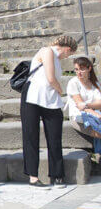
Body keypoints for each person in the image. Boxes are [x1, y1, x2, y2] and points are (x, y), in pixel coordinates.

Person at [21, 35, 77, 188]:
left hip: (50, 99)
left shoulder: (57, 60)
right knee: (31, 135)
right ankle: (33, 176)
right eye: (70, 52)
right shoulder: (47, 51)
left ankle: (57, 175)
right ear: (66, 47)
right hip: (33, 96)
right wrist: (61, 90)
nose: (69, 56)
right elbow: (51, 78)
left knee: (54, 136)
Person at [67, 56, 101, 155]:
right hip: (79, 118)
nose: (79, 72)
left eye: (82, 69)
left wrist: (87, 104)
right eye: (76, 69)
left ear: (89, 68)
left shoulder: (95, 83)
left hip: (95, 115)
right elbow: (79, 105)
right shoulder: (73, 83)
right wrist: (94, 111)